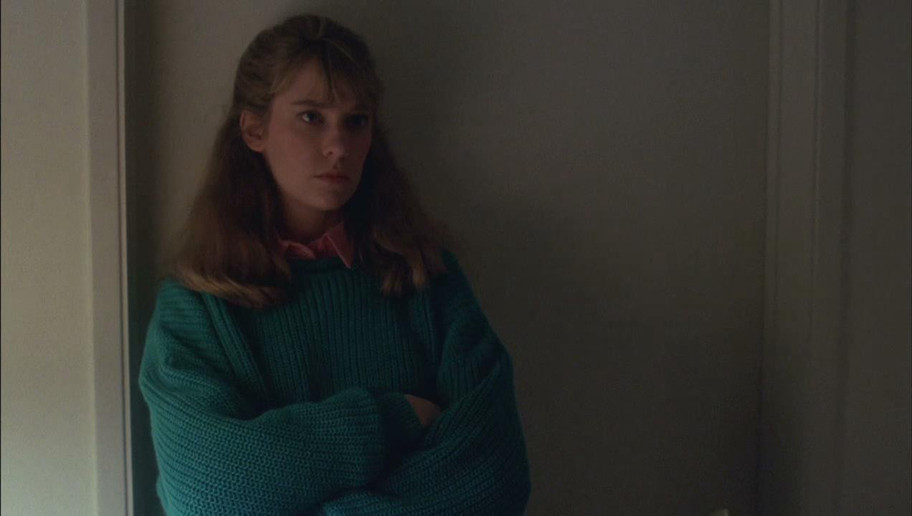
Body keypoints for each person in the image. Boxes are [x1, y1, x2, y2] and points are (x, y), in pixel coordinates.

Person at [138, 13, 531, 516]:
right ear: (254, 129)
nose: (338, 146)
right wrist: (392, 419)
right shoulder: (197, 306)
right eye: (311, 117)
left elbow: (494, 477)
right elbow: (207, 493)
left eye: (356, 120)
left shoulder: (426, 278)